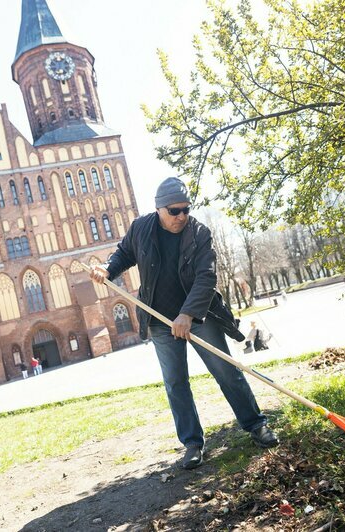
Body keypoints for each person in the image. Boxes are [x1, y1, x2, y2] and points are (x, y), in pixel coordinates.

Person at [89, 177, 279, 470]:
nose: (181, 216)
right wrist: (107, 268)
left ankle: (256, 425)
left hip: (200, 315)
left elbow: (206, 277)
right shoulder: (141, 228)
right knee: (176, 383)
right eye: (174, 210)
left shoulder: (199, 233)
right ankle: (192, 444)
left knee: (226, 371)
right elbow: (124, 253)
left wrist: (188, 314)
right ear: (159, 209)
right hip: (160, 320)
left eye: (185, 209)